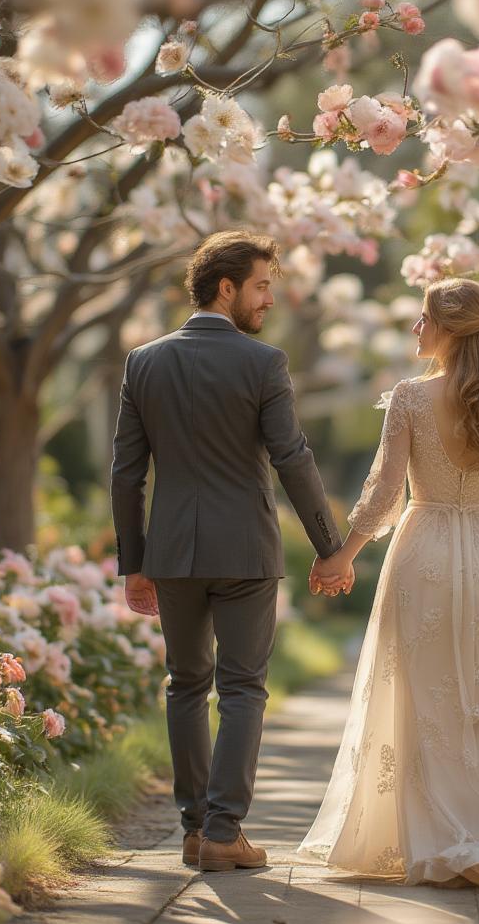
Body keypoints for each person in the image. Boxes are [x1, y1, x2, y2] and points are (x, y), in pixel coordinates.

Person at [299, 277, 479, 886]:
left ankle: (434, 836)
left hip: (426, 554)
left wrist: (341, 555)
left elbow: (385, 493)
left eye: (424, 319)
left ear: (451, 330)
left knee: (427, 694)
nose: (416, 329)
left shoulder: (411, 398)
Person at [110, 230, 350, 874]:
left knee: (184, 685)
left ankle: (194, 831)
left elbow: (126, 473)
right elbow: (292, 458)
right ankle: (222, 830)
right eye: (263, 285)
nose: (270, 299)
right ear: (227, 287)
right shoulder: (262, 363)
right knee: (242, 687)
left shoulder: (144, 362)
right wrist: (332, 547)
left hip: (172, 553)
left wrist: (133, 562)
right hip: (245, 549)